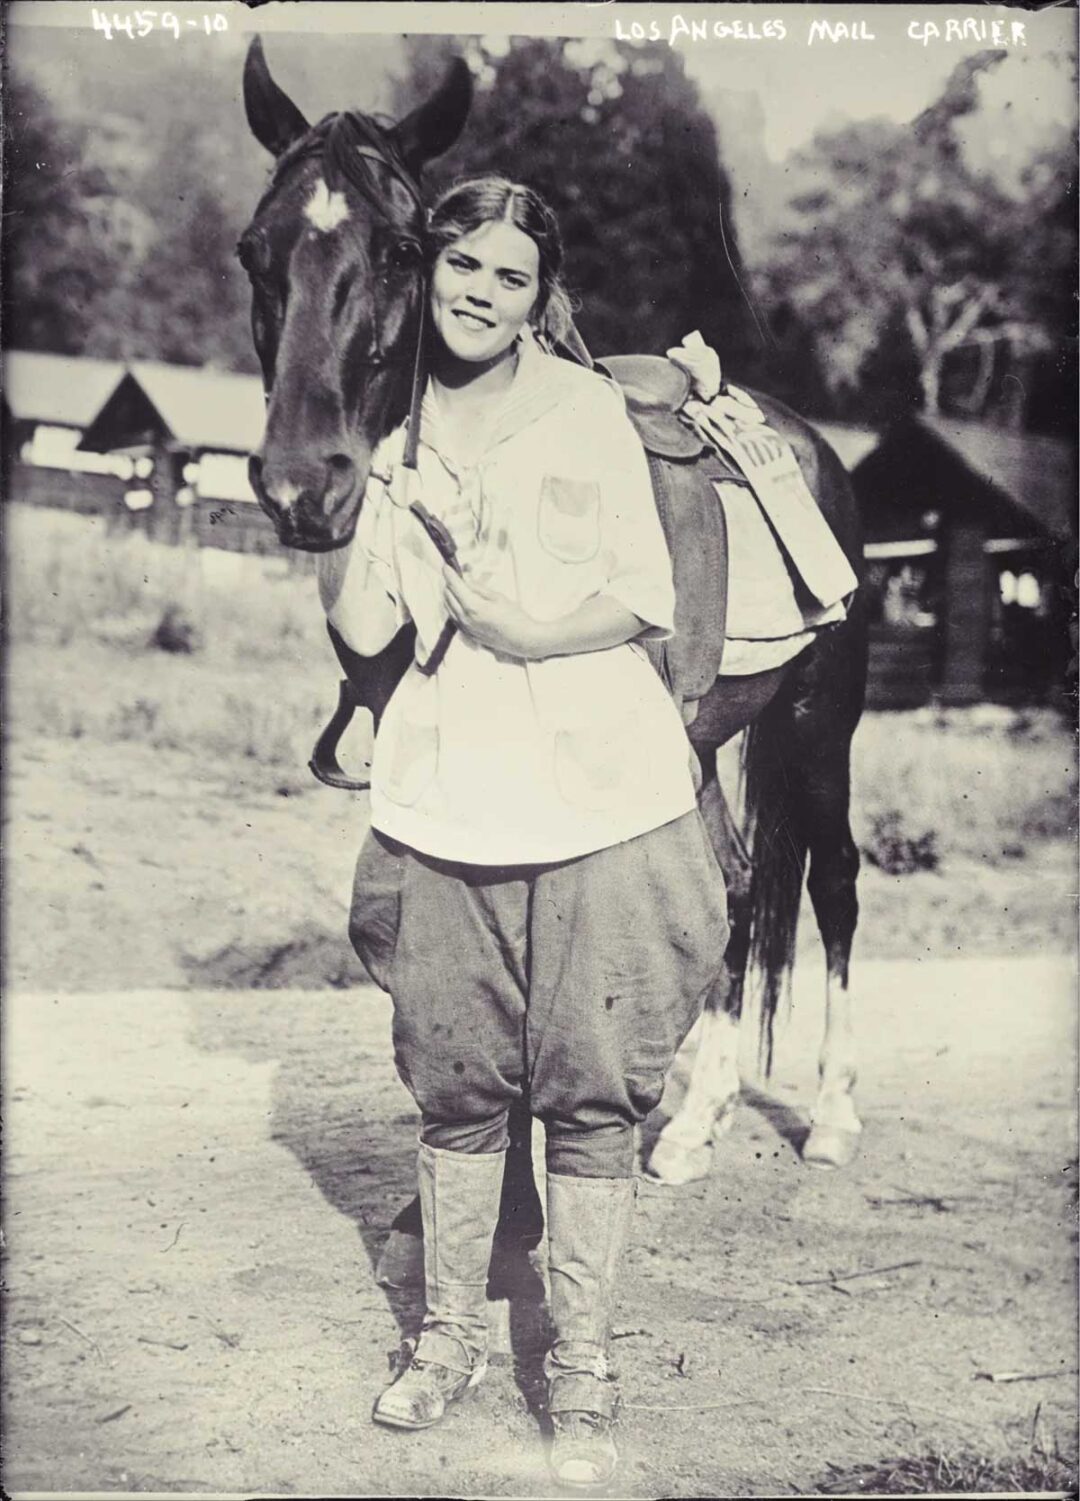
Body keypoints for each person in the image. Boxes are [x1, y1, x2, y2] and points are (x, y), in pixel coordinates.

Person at [317, 175, 729, 1489]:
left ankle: (585, 1366)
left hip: (597, 781)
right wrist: (360, 498)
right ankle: (446, 1342)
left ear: (538, 289)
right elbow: (371, 633)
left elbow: (640, 592)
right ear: (425, 272)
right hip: (449, 782)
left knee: (593, 1088)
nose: (481, 292)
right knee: (454, 1078)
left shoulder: (588, 407)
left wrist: (531, 634)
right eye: (460, 265)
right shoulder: (396, 422)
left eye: (508, 273)